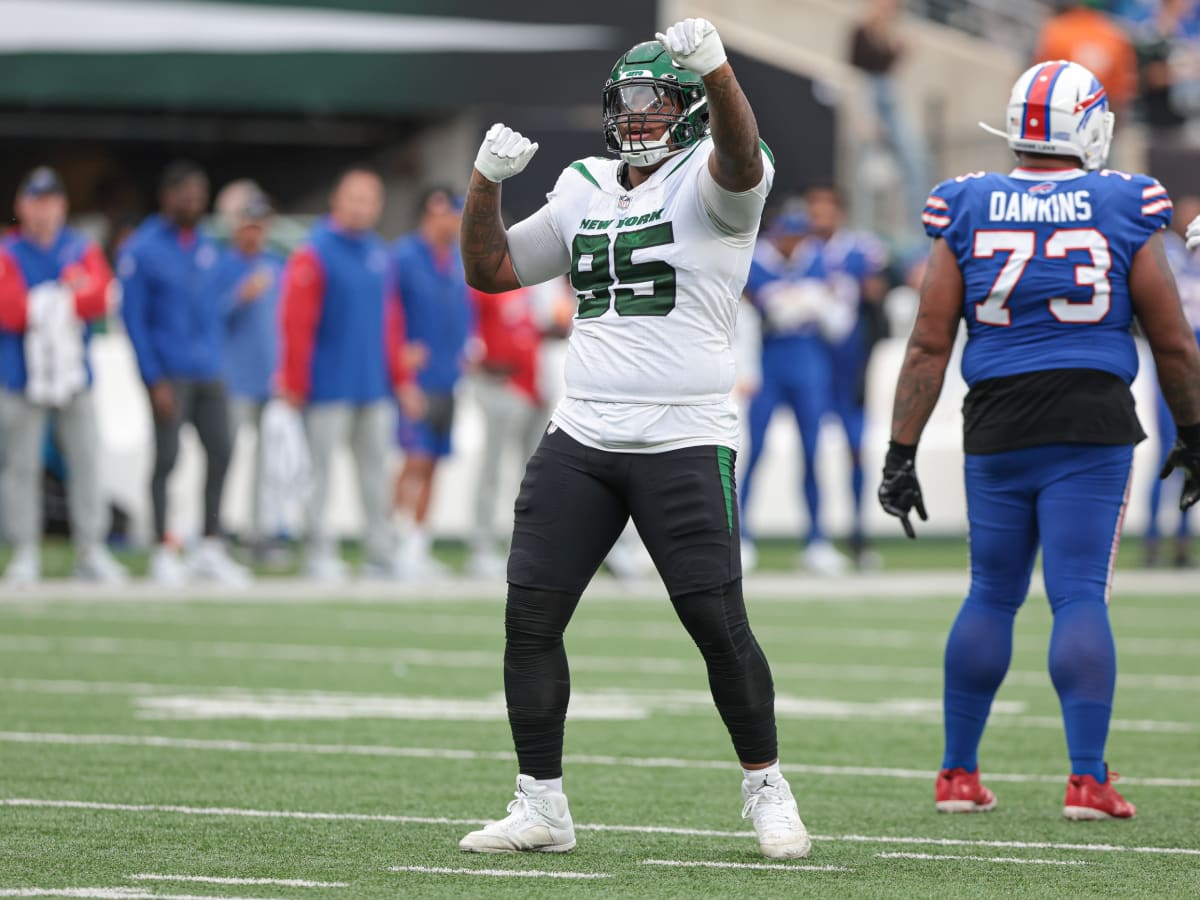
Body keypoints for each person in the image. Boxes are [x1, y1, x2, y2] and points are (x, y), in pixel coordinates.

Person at [455, 18, 810, 860]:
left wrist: (720, 72)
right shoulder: (582, 181)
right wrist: (484, 184)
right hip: (582, 430)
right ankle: (541, 802)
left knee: (717, 624)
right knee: (530, 619)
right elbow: (492, 271)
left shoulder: (719, 179)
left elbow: (741, 156)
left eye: (654, 100)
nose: (636, 115)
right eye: (627, 101)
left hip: (684, 435)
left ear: (688, 106)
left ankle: (766, 785)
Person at [878, 60, 1200, 821]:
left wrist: (899, 452)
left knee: (991, 592)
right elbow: (1173, 343)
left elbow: (928, 343)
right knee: (1079, 592)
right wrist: (1195, 432)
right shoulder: (1124, 200)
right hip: (1090, 418)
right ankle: (1087, 779)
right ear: (1088, 126)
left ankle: (957, 774)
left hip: (996, 418)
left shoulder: (965, 201)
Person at [277, 164, 422, 582]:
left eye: (369, 199)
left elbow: (390, 323)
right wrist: (294, 381)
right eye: (354, 197)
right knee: (319, 473)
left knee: (375, 473)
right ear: (336, 200)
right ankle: (318, 551)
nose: (361, 207)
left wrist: (400, 380)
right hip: (325, 386)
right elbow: (295, 322)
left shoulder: (379, 253)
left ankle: (379, 551)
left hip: (373, 386)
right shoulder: (314, 251)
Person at [119, 161, 249, 586]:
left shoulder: (208, 246)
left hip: (208, 369)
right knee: (168, 458)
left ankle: (210, 544)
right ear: (167, 198)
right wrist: (152, 377)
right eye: (186, 195)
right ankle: (162, 546)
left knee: (222, 450)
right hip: (169, 372)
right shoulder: (142, 248)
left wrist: (219, 360)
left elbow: (214, 311)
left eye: (199, 194)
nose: (194, 202)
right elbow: (135, 320)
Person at [0, 166, 127, 585]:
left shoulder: (79, 247)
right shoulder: (8, 251)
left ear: (62, 206)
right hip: (21, 376)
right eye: (35, 202)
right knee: (21, 466)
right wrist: (65, 296)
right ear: (22, 206)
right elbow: (10, 309)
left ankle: (91, 548)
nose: (43, 211)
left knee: (87, 461)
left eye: (51, 202)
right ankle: (24, 551)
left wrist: (51, 302)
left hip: (75, 376)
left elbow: (101, 295)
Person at [738, 201, 846, 575]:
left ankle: (817, 539)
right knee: (753, 451)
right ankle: (740, 537)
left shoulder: (819, 259)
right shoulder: (755, 261)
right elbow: (748, 316)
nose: (792, 243)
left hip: (809, 362)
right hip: (770, 363)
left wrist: (810, 305)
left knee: (814, 451)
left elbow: (838, 321)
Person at [804, 186, 890, 570]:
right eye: (814, 210)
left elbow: (878, 293)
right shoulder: (798, 252)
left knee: (856, 448)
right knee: (810, 451)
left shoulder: (860, 251)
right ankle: (815, 538)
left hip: (850, 365)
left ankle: (858, 534)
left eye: (826, 210)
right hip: (811, 365)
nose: (820, 218)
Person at [391, 186, 472, 578]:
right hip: (417, 378)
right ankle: (393, 537)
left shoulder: (457, 261)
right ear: (431, 212)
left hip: (447, 377)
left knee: (435, 461)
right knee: (415, 458)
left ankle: (417, 545)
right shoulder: (404, 257)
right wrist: (400, 363)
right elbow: (388, 312)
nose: (456, 221)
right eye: (450, 213)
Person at [215, 189, 285, 558]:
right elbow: (211, 316)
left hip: (270, 379)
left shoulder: (277, 265)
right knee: (226, 457)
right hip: (233, 379)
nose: (254, 232)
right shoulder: (222, 265)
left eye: (260, 224)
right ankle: (218, 529)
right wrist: (239, 296)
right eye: (248, 224)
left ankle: (260, 532)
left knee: (267, 463)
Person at [466, 283, 551, 579]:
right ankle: (482, 545)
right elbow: (466, 325)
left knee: (533, 475)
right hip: (501, 384)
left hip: (535, 386)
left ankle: (525, 545)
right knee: (492, 469)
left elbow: (546, 327)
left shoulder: (535, 286)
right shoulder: (485, 284)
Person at [1146, 193, 1200, 566]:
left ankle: (1182, 538)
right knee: (1168, 451)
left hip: (1193, 356)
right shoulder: (1164, 249)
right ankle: (1152, 538)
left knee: (1192, 453)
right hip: (1170, 360)